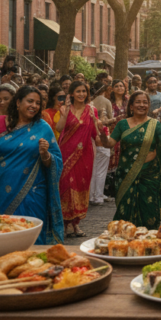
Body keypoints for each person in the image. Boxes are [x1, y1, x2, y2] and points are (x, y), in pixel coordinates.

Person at [0, 86, 65, 244]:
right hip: (1, 186)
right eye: (30, 101)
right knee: (1, 230)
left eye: (38, 103)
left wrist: (46, 154)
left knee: (31, 233)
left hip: (33, 192)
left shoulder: (43, 127)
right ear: (18, 102)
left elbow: (56, 160)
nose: (34, 105)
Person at [99, 91, 161, 229]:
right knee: (124, 212)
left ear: (149, 106)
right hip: (126, 175)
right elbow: (110, 143)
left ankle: (149, 244)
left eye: (145, 102)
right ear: (131, 106)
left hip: (150, 176)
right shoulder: (122, 124)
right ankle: (125, 244)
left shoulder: (155, 125)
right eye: (138, 102)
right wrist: (103, 138)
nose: (142, 105)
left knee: (150, 212)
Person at [53, 80, 101, 238]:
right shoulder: (64, 109)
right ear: (71, 94)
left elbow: (95, 133)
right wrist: (66, 112)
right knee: (66, 186)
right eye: (78, 91)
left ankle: (77, 224)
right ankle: (66, 224)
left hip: (85, 155)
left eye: (84, 91)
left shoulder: (92, 110)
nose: (81, 94)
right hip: (66, 152)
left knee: (81, 186)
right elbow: (59, 128)